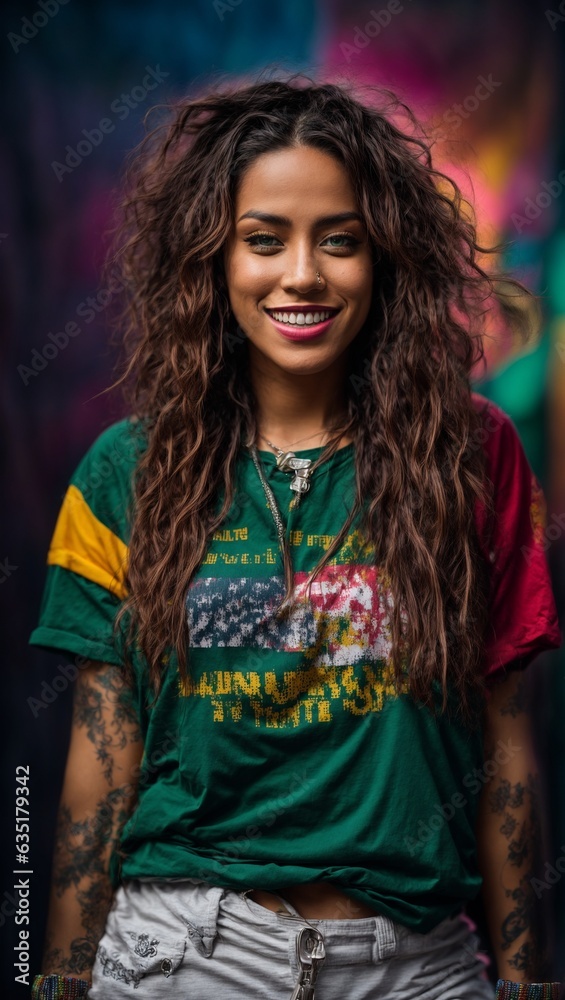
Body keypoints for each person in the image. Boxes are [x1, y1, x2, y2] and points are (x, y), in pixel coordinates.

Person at [29, 72, 562, 1000]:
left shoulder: (475, 456)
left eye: (340, 242)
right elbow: (99, 765)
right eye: (264, 241)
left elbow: (506, 744)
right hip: (182, 960)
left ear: (384, 258)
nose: (303, 274)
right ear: (214, 259)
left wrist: (529, 983)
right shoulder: (126, 474)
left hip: (417, 968)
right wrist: (59, 984)